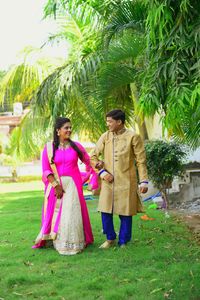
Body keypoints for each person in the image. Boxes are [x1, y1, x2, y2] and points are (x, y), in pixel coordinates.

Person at [32, 117, 94, 255]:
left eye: (70, 128)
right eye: (66, 128)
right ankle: (55, 239)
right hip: (56, 187)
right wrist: (56, 186)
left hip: (73, 186)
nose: (69, 130)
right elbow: (46, 169)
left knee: (71, 213)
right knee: (56, 213)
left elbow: (89, 161)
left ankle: (72, 241)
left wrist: (93, 171)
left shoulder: (76, 146)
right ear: (58, 130)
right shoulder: (49, 148)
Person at [90, 109, 148, 248]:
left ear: (119, 122)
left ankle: (123, 241)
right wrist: (102, 172)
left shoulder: (133, 137)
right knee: (105, 211)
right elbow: (92, 157)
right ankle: (110, 238)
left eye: (110, 121)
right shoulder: (105, 136)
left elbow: (141, 161)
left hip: (126, 181)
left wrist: (144, 180)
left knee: (126, 212)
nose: (107, 124)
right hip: (108, 181)